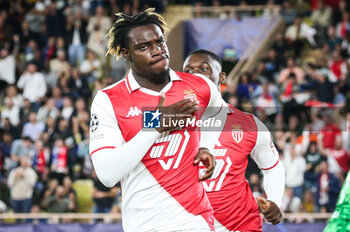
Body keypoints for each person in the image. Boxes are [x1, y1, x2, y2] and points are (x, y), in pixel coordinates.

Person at [90, 9, 226, 232]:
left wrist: (206, 145)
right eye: (144, 47)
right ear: (126, 53)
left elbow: (219, 112)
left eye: (160, 42)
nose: (157, 51)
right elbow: (107, 174)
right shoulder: (108, 100)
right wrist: (153, 125)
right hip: (143, 225)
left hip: (195, 220)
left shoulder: (200, 86)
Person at [183, 49, 285, 232]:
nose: (195, 75)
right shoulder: (167, 122)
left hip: (239, 226)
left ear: (221, 77)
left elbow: (273, 167)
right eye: (188, 71)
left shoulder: (248, 124)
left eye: (204, 69)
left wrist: (275, 201)